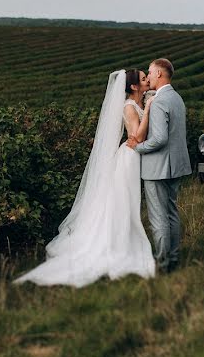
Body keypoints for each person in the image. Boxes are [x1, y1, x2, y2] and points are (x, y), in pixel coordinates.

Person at [14, 69, 156, 287]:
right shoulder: (129, 107)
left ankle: (124, 240)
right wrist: (147, 110)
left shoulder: (140, 100)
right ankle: (119, 245)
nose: (147, 80)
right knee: (124, 204)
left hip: (133, 157)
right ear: (134, 86)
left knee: (126, 203)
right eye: (144, 79)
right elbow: (136, 137)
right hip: (129, 158)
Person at [126, 58, 191, 273]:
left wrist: (138, 147)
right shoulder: (177, 98)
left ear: (160, 75)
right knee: (171, 212)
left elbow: (160, 138)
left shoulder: (160, 101)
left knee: (158, 218)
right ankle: (172, 260)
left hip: (157, 167)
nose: (149, 76)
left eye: (151, 73)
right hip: (177, 165)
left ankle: (162, 264)